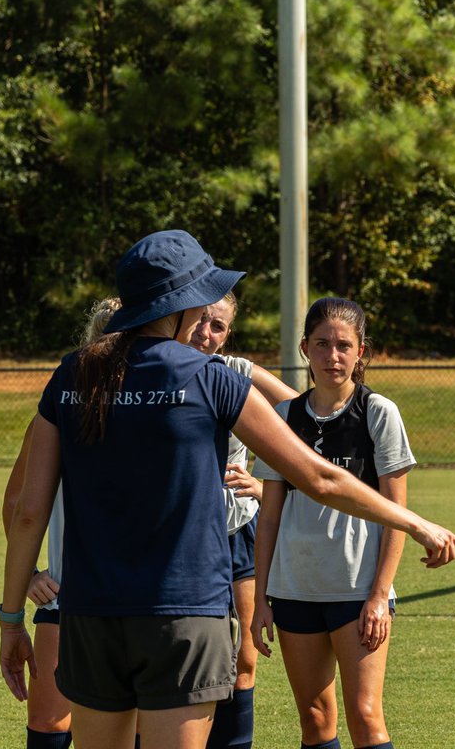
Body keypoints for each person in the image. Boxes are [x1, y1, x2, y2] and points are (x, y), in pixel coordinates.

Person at [0, 231, 455, 749]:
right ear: (179, 305)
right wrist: (415, 522)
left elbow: (29, 512)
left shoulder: (72, 374)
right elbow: (316, 475)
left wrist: (10, 618)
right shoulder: (210, 377)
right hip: (183, 615)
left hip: (90, 616)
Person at [251, 297, 413, 749]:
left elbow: (397, 515)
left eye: (344, 345)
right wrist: (262, 598)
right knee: (315, 719)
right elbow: (269, 515)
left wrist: (380, 595)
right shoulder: (283, 418)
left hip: (357, 593)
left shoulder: (379, 413)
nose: (333, 356)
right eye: (322, 344)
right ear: (305, 348)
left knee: (365, 716)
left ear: (362, 352)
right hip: (293, 591)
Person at [2, 297, 123, 749]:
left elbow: (20, 505)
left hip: (72, 591)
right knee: (119, 723)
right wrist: (32, 576)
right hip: (135, 594)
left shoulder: (57, 405)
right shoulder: (157, 405)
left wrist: (24, 586)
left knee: (53, 722)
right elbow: (20, 505)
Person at [189, 291, 299, 749]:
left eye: (218, 325)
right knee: (195, 665)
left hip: (239, 531)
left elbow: (308, 415)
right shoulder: (162, 372)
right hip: (189, 538)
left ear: (229, 333)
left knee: (244, 661)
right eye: (200, 320)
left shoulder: (238, 371)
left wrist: (266, 484)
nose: (206, 333)